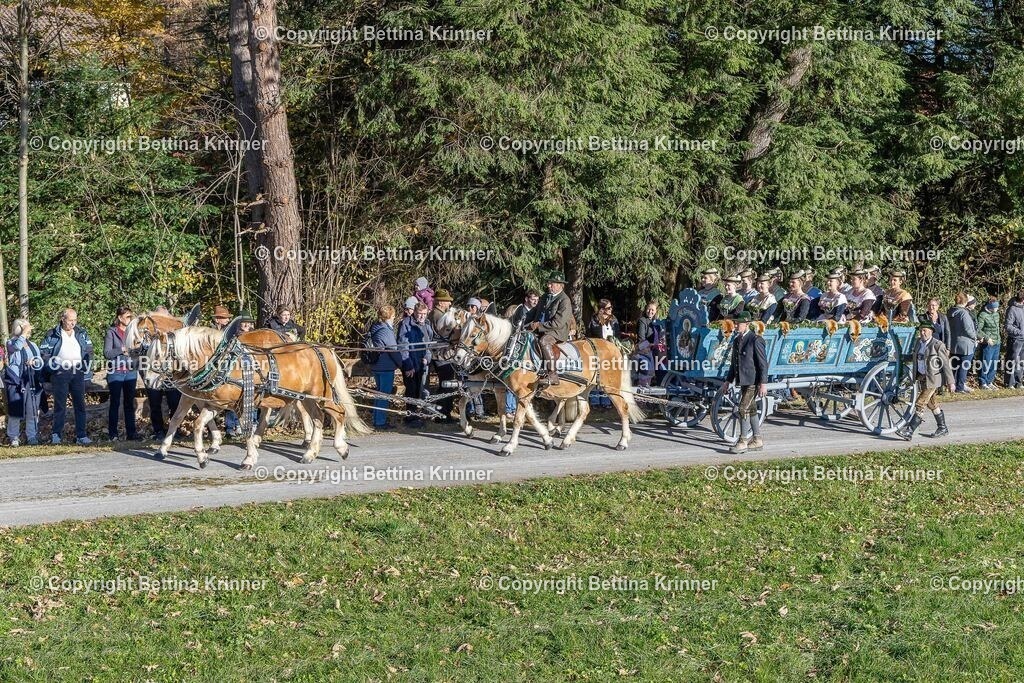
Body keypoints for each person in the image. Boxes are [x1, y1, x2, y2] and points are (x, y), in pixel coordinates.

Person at [39, 308, 94, 445]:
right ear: (63, 319)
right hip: (60, 373)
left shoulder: (81, 333)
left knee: (80, 405)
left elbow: (89, 352)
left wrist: (86, 372)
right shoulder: (52, 334)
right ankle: (56, 435)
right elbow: (43, 354)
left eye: (75, 320)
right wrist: (54, 369)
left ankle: (81, 435)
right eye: (70, 320)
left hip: (77, 371)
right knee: (60, 405)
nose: (73, 323)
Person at [896, 320, 955, 441]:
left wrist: (951, 382)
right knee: (932, 404)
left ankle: (909, 431)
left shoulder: (938, 345)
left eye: (925, 330)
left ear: (931, 332)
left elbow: (946, 365)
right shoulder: (918, 343)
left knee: (920, 403)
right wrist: (901, 357)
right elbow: (914, 357)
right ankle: (942, 428)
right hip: (921, 378)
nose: (922, 333)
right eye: (921, 330)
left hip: (933, 379)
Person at [722, 311, 768, 454]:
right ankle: (757, 440)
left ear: (746, 324)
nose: (735, 325)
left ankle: (742, 441)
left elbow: (763, 364)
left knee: (742, 409)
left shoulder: (755, 340)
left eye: (738, 323)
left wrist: (763, 383)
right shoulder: (736, 340)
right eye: (735, 323)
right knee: (751, 409)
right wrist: (728, 381)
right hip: (743, 380)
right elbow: (733, 364)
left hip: (753, 381)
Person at [525, 271, 574, 385]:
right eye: (549, 283)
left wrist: (539, 326)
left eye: (551, 283)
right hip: (540, 328)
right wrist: (522, 322)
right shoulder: (545, 297)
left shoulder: (564, 300)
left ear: (560, 285)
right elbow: (534, 313)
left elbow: (558, 323)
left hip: (557, 332)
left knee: (544, 341)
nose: (548, 285)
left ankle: (553, 374)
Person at [103, 305, 140, 441]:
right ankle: (113, 434)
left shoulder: (134, 332)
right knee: (115, 403)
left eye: (131, 316)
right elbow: (107, 353)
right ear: (120, 317)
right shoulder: (111, 332)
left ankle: (132, 433)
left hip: (130, 371)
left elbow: (138, 350)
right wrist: (122, 349)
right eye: (127, 317)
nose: (130, 319)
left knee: (129, 403)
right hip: (116, 372)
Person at [5, 319, 43, 446]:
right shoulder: (10, 343)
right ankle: (13, 436)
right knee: (16, 409)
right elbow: (17, 347)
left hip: (31, 379)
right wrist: (23, 334)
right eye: (25, 327)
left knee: (32, 409)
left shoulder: (33, 345)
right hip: (16, 381)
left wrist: (35, 362)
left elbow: (40, 361)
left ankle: (32, 436)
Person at [398, 302, 434, 428]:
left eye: (424, 314)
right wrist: (408, 366)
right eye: (420, 314)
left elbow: (429, 345)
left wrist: (427, 358)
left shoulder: (427, 325)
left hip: (421, 363)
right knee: (411, 390)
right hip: (410, 362)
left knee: (419, 389)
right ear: (414, 312)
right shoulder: (406, 324)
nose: (422, 317)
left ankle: (416, 414)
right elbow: (403, 346)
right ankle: (410, 417)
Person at [368, 305, 404, 430]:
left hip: (377, 366)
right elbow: (393, 350)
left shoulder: (375, 328)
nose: (394, 319)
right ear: (388, 317)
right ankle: (380, 421)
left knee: (379, 393)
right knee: (384, 395)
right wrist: (401, 364)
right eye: (393, 316)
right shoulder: (385, 331)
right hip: (385, 367)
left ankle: (376, 419)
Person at [586, 300, 620, 407]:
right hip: (598, 351)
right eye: (608, 308)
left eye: (611, 307)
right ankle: (595, 401)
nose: (611, 310)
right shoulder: (594, 320)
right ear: (602, 309)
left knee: (608, 377)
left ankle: (607, 401)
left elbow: (617, 335)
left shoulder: (614, 320)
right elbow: (591, 334)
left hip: (611, 351)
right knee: (597, 376)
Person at [947, 292, 978, 393]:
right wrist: (975, 337)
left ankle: (952, 386)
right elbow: (968, 329)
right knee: (963, 367)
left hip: (953, 343)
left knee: (954, 366)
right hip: (965, 344)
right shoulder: (963, 313)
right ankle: (960, 388)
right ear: (965, 302)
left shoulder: (950, 311)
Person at [976, 296, 1002, 390]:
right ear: (990, 306)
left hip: (997, 342)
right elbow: (978, 329)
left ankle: (990, 381)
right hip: (988, 344)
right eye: (995, 307)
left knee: (994, 363)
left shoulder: (996, 314)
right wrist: (987, 338)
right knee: (986, 362)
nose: (997, 309)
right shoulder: (982, 315)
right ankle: (983, 382)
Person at [634, 301, 659, 388]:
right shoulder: (642, 321)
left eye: (652, 310)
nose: (650, 311)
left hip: (655, 351)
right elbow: (641, 339)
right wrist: (653, 345)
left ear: (656, 311)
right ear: (645, 309)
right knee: (645, 373)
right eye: (648, 309)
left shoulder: (657, 322)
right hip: (644, 351)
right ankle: (641, 397)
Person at [1005, 291, 1024, 389]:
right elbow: (1008, 326)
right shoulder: (1012, 309)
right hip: (1015, 339)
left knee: (1021, 361)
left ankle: (1018, 382)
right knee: (1012, 361)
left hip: (1023, 339)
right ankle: (1009, 383)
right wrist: (1020, 332)